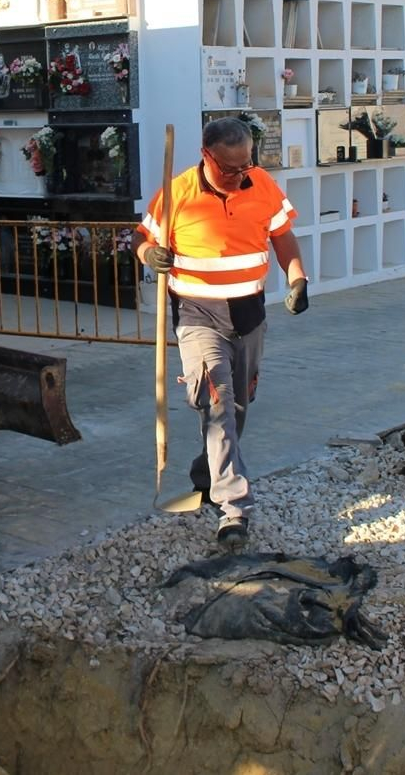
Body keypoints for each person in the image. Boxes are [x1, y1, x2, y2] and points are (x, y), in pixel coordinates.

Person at [135, 117, 309, 550]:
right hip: (198, 315)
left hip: (249, 315)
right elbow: (141, 239)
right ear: (206, 155)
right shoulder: (177, 194)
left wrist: (298, 278)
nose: (239, 176)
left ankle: (206, 473)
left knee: (238, 409)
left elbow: (282, 236)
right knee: (217, 402)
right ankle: (234, 509)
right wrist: (149, 253)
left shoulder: (262, 184)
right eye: (230, 169)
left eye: (245, 166)